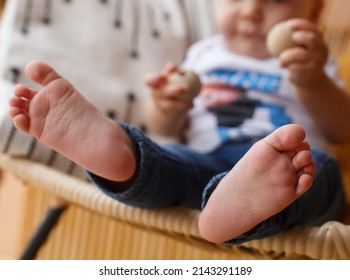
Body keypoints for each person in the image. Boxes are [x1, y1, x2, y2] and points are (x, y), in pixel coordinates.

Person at [8, 0, 349, 245]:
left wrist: (312, 80)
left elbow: (341, 129)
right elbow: (170, 126)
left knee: (319, 172)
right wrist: (166, 105)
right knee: (174, 160)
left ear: (314, 11)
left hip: (288, 166)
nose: (250, 10)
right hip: (209, 161)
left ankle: (233, 204)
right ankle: (126, 156)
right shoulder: (204, 54)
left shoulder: (311, 60)